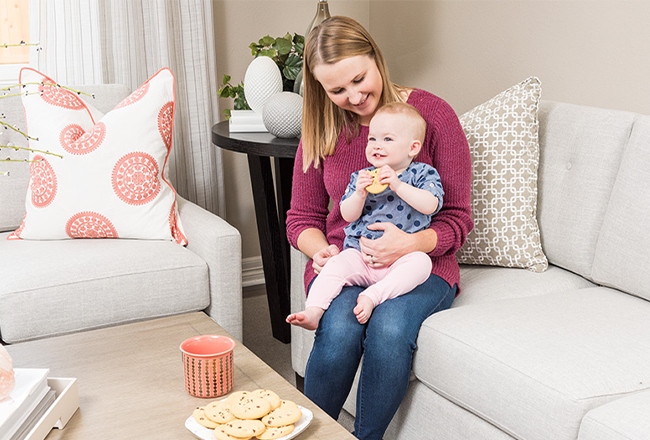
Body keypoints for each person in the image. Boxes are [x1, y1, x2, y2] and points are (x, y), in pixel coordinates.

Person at [285, 16, 473, 440]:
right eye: (337, 90)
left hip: (423, 262)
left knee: (390, 330)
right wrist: (319, 250)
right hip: (351, 257)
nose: (353, 97)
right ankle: (309, 434)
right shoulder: (322, 129)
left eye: (359, 78)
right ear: (321, 90)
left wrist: (409, 244)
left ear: (376, 57)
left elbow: (458, 215)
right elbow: (302, 218)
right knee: (337, 329)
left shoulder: (432, 115)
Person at [286, 102, 444, 329]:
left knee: (422, 263)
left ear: (413, 147)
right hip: (361, 255)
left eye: (387, 139)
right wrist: (359, 194)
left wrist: (398, 186)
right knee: (336, 265)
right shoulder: (362, 176)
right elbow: (347, 215)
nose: (377, 145)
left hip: (401, 260)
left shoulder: (422, 173)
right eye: (372, 139)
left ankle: (374, 295)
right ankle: (313, 310)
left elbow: (431, 205)